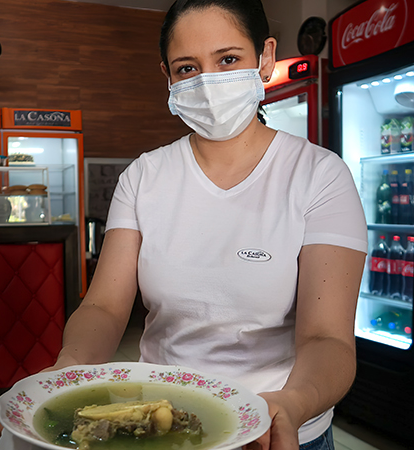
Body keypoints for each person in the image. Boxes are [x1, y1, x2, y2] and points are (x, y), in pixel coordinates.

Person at [49, 1, 368, 449]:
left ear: (266, 57)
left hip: (273, 426)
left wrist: (293, 403)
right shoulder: (143, 177)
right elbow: (104, 307)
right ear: (168, 76)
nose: (208, 82)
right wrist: (70, 368)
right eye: (186, 68)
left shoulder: (319, 175)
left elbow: (326, 338)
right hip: (161, 422)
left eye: (228, 59)